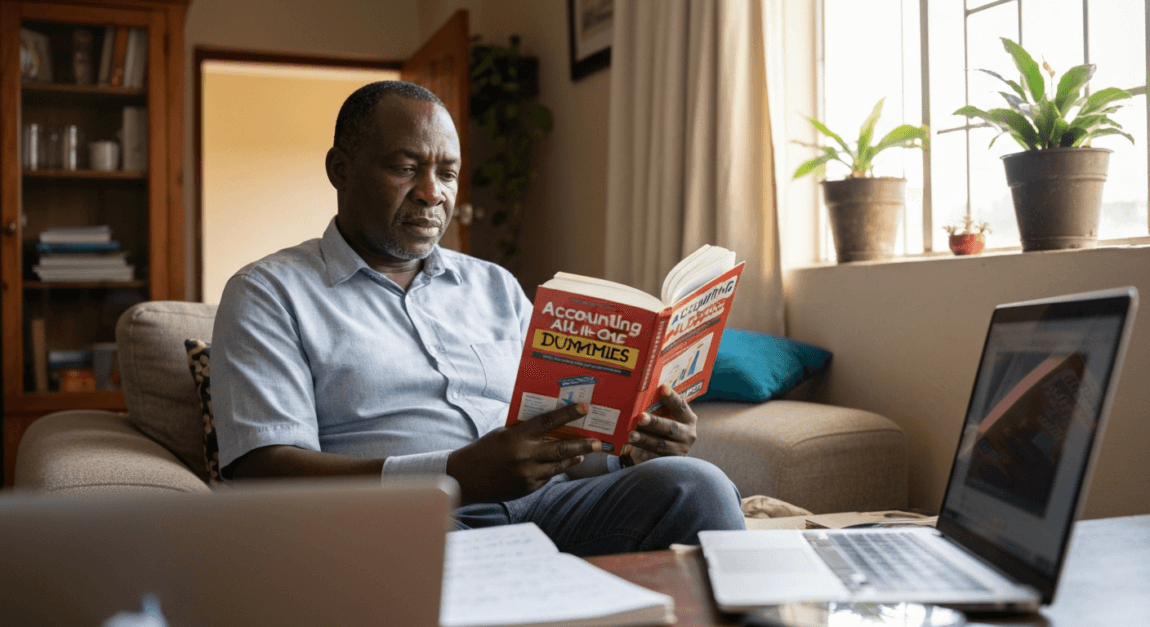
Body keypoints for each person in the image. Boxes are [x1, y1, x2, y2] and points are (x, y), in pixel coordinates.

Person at [211, 80, 746, 556]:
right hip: (405, 522)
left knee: (695, 485)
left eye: (447, 173)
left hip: (550, 507)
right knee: (414, 554)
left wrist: (631, 452)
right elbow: (264, 468)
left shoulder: (496, 287)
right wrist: (452, 476)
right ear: (340, 170)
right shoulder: (268, 292)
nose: (432, 194)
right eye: (406, 169)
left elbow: (550, 437)